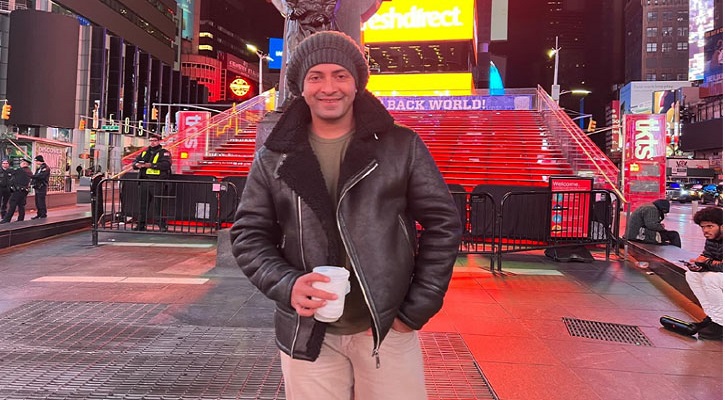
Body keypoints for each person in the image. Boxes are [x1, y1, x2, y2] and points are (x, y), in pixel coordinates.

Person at [229, 31, 462, 400]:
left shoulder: (401, 145)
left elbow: (443, 224)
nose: (328, 87)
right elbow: (248, 234)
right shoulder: (273, 156)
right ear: (300, 87)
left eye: (340, 75)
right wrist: (288, 284)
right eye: (316, 76)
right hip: (306, 330)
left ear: (357, 84)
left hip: (386, 328)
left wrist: (416, 308)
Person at [685, 207, 723, 340]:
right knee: (691, 275)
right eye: (703, 227)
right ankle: (712, 317)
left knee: (711, 279)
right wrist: (698, 266)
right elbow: (706, 257)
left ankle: (721, 323)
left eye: (710, 226)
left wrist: (706, 262)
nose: (705, 231)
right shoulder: (712, 238)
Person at [132, 134, 172, 231]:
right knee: (143, 204)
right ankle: (141, 225)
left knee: (159, 204)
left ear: (159, 141)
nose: (152, 143)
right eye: (150, 140)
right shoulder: (145, 152)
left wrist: (151, 165)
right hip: (144, 181)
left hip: (157, 181)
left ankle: (162, 226)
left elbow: (166, 165)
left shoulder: (164, 153)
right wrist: (137, 165)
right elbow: (134, 162)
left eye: (154, 140)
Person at [0, 158, 33, 223]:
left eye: (21, 163)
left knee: (12, 204)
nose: (20, 164)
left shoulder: (20, 170)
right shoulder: (29, 171)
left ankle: (7, 219)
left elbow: (11, 173)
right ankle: (21, 218)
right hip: (24, 191)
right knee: (21, 205)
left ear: (24, 164)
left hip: (18, 191)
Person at [31, 155, 50, 219]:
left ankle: (43, 214)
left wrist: (32, 176)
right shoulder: (39, 168)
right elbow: (36, 175)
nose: (36, 163)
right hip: (37, 186)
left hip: (42, 186)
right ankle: (39, 214)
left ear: (39, 161)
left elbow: (41, 176)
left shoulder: (46, 168)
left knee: (41, 201)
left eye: (36, 161)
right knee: (37, 201)